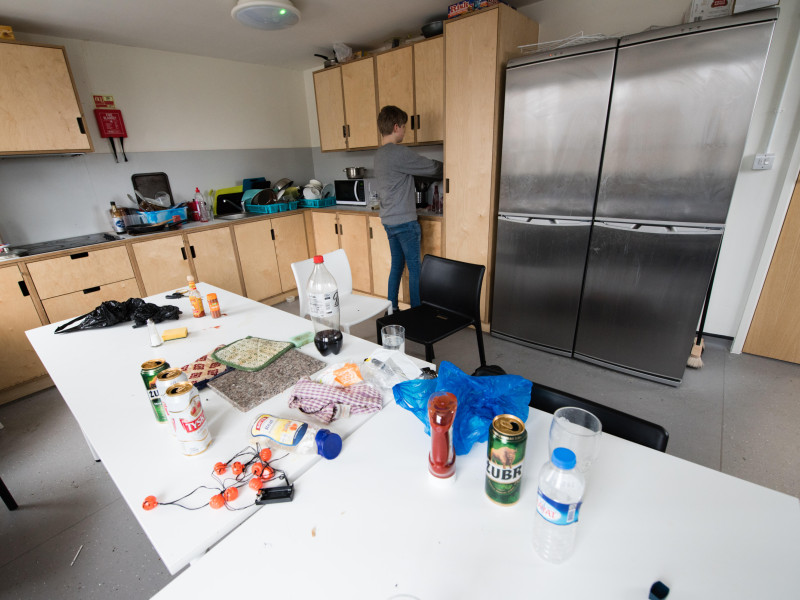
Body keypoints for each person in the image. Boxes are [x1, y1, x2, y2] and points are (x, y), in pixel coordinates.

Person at [374, 105, 443, 311]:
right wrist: (453, 165)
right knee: (415, 269)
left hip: (388, 221)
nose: (405, 131)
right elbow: (431, 167)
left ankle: (392, 310)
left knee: (396, 266)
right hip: (405, 222)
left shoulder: (379, 155)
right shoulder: (399, 153)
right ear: (396, 127)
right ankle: (416, 314)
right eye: (404, 126)